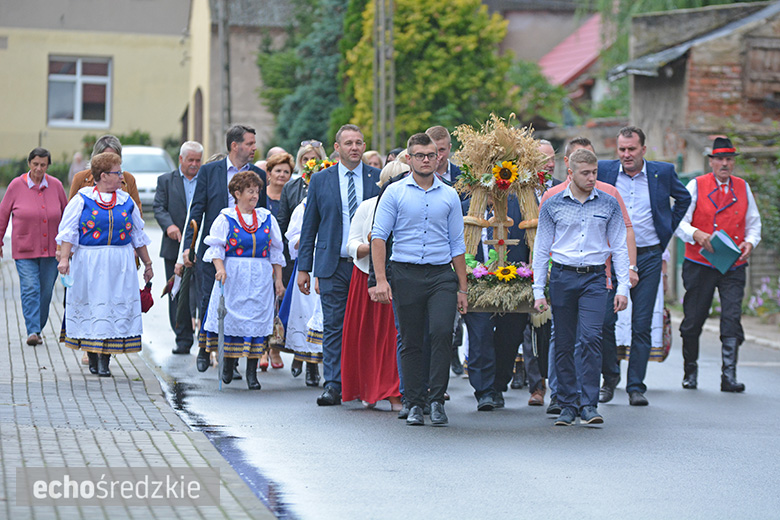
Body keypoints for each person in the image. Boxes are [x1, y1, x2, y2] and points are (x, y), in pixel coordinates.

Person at [371, 132, 468, 427]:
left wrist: (463, 288)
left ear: (439, 157)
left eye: (431, 155)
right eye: (420, 155)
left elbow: (457, 245)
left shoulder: (450, 194)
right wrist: (380, 280)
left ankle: (436, 400)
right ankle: (414, 402)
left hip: (441, 275)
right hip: (405, 273)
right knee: (410, 340)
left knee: (441, 334)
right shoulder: (395, 192)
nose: (426, 160)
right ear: (409, 158)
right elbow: (378, 237)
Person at [533, 148, 629, 426]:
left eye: (595, 172)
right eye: (585, 173)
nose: (591, 178)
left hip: (594, 278)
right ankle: (566, 402)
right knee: (563, 341)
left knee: (590, 338)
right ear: (570, 173)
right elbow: (541, 247)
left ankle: (588, 404)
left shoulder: (608, 202)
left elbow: (620, 246)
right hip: (562, 275)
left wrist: (623, 286)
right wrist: (538, 290)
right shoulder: (552, 203)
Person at [597, 126, 691, 406]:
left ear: (643, 150)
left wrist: (667, 231)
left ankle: (636, 386)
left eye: (631, 149)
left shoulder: (662, 172)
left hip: (650, 256)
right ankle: (610, 377)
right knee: (605, 321)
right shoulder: (605, 171)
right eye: (622, 149)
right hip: (613, 257)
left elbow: (684, 198)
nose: (626, 154)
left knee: (641, 324)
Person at [297, 124, 381, 406]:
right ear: (337, 148)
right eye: (348, 143)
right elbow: (310, 227)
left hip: (368, 265)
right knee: (334, 325)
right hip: (333, 263)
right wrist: (304, 269)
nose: (354, 148)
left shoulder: (377, 178)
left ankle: (365, 383)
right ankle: (334, 383)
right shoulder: (321, 180)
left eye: (359, 143)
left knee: (365, 326)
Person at [56, 152, 154, 377]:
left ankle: (105, 360)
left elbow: (138, 235)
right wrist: (64, 259)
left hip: (120, 263)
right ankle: (92, 354)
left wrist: (148, 264)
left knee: (113, 306)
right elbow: (68, 232)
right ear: (102, 176)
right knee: (93, 305)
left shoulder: (126, 201)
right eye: (117, 173)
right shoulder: (82, 199)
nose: (121, 177)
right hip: (90, 262)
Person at [676, 137, 761, 392]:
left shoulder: (743, 187)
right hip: (699, 262)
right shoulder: (696, 185)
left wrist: (750, 243)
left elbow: (754, 223)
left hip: (732, 264)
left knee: (732, 317)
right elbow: (679, 222)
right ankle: (690, 372)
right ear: (711, 161)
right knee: (693, 319)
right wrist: (696, 234)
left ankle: (729, 375)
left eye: (729, 159)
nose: (724, 164)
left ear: (733, 162)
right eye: (720, 159)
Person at [182, 124, 267, 374]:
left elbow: (261, 213)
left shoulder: (256, 174)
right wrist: (189, 246)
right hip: (216, 247)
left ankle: (230, 358)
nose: (254, 148)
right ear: (234, 145)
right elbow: (196, 210)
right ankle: (204, 348)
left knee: (238, 304)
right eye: (250, 143)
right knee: (208, 298)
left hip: (244, 253)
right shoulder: (210, 171)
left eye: (254, 143)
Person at [200, 170, 285, 389]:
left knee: (256, 321)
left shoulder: (267, 218)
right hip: (234, 274)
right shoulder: (226, 217)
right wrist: (220, 269)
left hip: (260, 275)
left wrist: (278, 280)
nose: (255, 196)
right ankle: (228, 364)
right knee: (232, 320)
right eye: (250, 192)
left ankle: (252, 373)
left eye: (257, 192)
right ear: (237, 193)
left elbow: (276, 250)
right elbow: (216, 247)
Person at [341, 164, 402, 411]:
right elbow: (351, 244)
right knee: (367, 337)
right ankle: (368, 389)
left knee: (395, 339)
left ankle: (396, 391)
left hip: (402, 277)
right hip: (367, 275)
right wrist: (374, 246)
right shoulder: (367, 206)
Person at [461, 193, 530, 411]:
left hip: (512, 281)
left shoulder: (519, 206)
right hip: (475, 282)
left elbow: (530, 240)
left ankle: (499, 383)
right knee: (480, 334)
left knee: (510, 335)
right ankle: (484, 390)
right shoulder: (465, 208)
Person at [0, 148, 68, 345]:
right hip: (25, 249)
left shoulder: (55, 186)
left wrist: (68, 247)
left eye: (43, 165)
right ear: (29, 163)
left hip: (51, 251)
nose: (39, 168)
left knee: (46, 292)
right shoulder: (15, 186)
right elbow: (3, 216)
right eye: (35, 164)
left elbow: (67, 218)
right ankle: (33, 331)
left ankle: (37, 327)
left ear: (48, 166)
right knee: (30, 288)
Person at [153, 141, 203, 355]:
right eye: (190, 160)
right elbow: (158, 207)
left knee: (200, 291)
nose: (194, 164)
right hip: (174, 247)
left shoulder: (205, 180)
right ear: (181, 159)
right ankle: (182, 338)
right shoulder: (166, 180)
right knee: (178, 292)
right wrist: (169, 226)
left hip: (201, 245)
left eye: (198, 160)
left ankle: (203, 337)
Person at [281, 197, 322, 386]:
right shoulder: (304, 207)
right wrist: (310, 236)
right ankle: (309, 364)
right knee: (306, 312)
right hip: (310, 262)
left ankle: (330, 367)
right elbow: (293, 239)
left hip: (331, 260)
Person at [263, 151, 294, 370]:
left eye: (286, 171)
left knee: (280, 301)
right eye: (278, 171)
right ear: (269, 173)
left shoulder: (291, 195)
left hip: (285, 256)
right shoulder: (260, 195)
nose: (282, 175)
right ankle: (262, 349)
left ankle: (275, 348)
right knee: (263, 301)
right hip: (262, 256)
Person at [69, 135, 143, 216]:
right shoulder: (80, 178)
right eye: (105, 157)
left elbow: (137, 214)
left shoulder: (128, 179)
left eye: (114, 157)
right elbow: (71, 213)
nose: (110, 161)